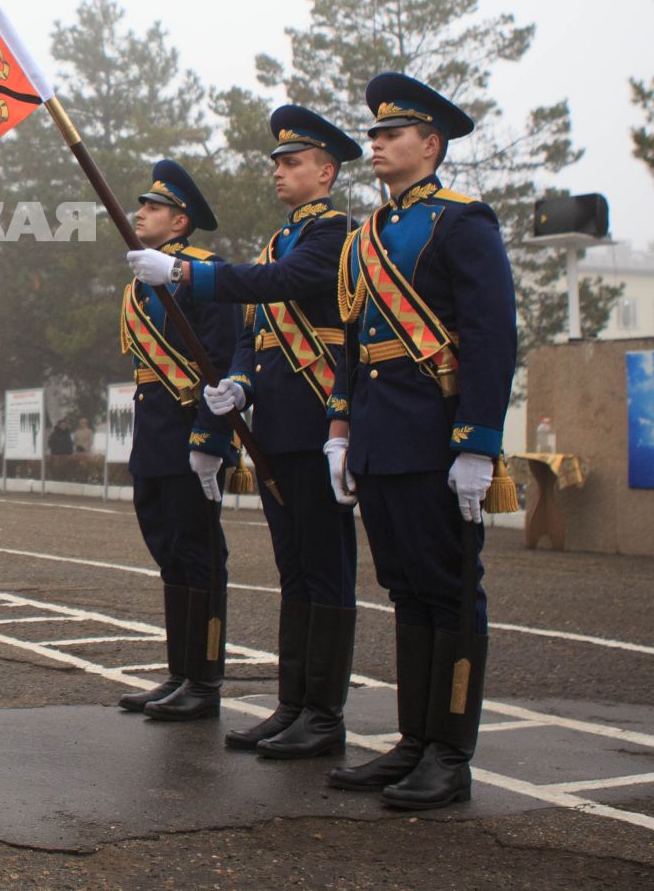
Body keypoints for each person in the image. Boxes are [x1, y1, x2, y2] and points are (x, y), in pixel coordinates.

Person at [132, 107, 362, 759]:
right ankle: (293, 705)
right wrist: (240, 386)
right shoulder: (278, 240)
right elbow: (255, 340)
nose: (279, 173)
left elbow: (281, 287)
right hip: (277, 429)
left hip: (318, 424)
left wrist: (185, 273)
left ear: (325, 171)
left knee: (324, 568)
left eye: (292, 163)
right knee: (294, 571)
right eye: (277, 164)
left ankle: (324, 714)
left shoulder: (331, 235)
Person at [323, 74, 517, 810]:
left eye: (390, 135)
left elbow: (493, 336)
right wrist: (339, 432)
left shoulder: (460, 222)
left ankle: (448, 751)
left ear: (429, 145)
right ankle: (412, 739)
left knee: (448, 591)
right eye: (372, 135)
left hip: (436, 435)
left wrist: (477, 441)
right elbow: (349, 341)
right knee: (404, 591)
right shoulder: (367, 236)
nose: (375, 144)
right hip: (379, 435)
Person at [116, 160, 240, 723]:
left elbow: (218, 360)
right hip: (154, 434)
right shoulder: (142, 285)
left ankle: (206, 679)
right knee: (169, 553)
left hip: (191, 428)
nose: (139, 213)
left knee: (200, 554)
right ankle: (179, 672)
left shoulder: (202, 274)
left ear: (180, 221)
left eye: (153, 207)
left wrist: (211, 439)